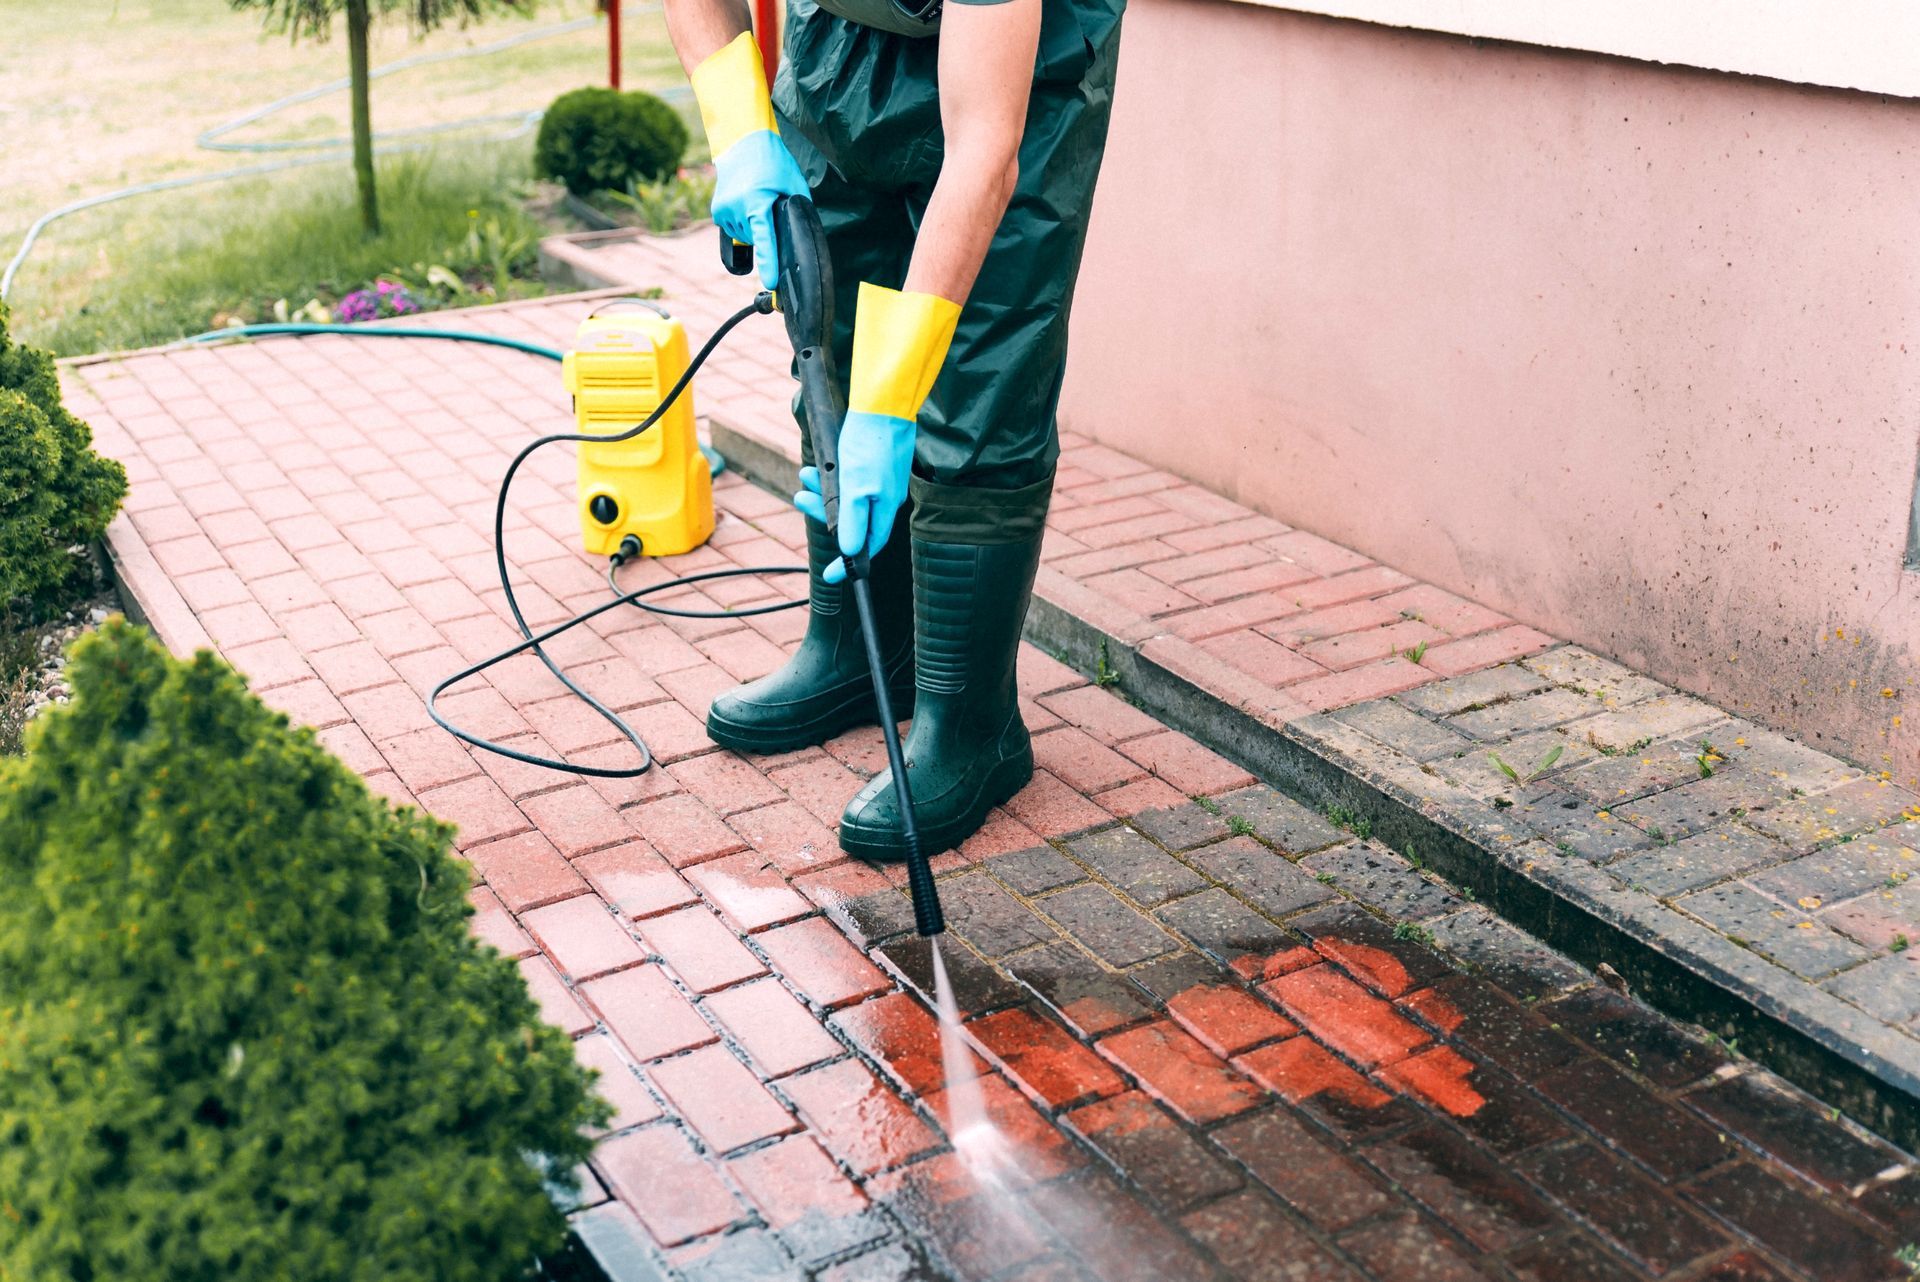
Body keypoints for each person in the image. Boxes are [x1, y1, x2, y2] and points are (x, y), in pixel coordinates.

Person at [669, 0, 1124, 861]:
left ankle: (971, 722)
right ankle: (852, 647)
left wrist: (892, 407)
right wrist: (737, 129)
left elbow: (986, 148)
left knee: (982, 366)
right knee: (830, 321)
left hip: (1026, 58)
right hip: (844, 32)